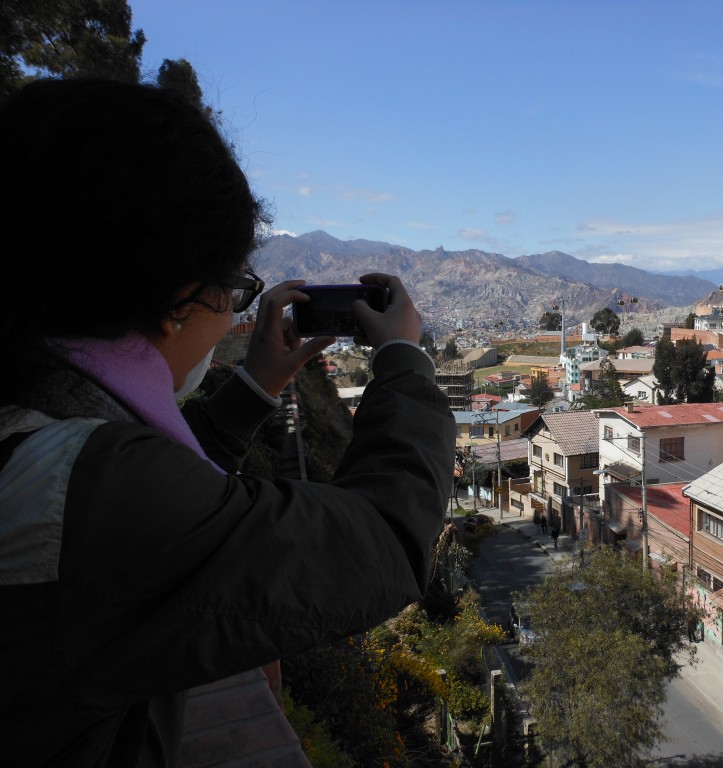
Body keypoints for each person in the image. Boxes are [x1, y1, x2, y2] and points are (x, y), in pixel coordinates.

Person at [0, 78, 455, 767]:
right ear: (173, 301)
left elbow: (174, 497)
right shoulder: (98, 494)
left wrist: (256, 385)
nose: (239, 315)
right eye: (237, 289)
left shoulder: (36, 414)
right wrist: (403, 358)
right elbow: (385, 542)